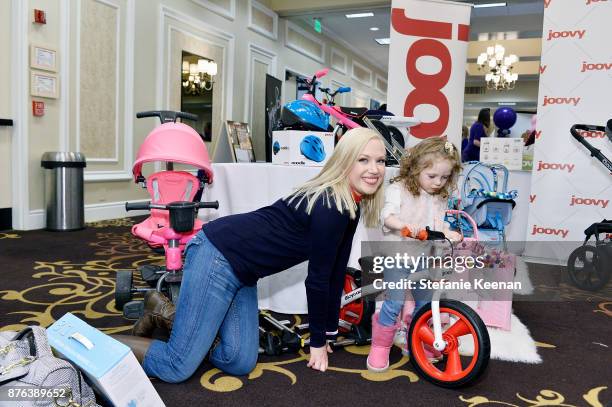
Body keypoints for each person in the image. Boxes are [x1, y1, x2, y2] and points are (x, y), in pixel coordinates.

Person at [115, 127, 387, 383]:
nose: (374, 169)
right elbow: (317, 280)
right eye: (363, 160)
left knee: (238, 362)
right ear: (345, 161)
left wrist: (328, 334)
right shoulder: (330, 206)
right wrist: (316, 342)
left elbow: (335, 272)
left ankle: (165, 311)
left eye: (381, 161)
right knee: (177, 366)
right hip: (217, 255)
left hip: (244, 272)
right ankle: (102, 348)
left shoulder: (349, 204)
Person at [366, 137, 463, 373]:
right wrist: (404, 227)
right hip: (398, 254)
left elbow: (435, 226)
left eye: (445, 177)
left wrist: (449, 233)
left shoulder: (439, 196)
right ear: (415, 168)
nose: (439, 182)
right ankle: (380, 345)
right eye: (432, 176)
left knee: (426, 303)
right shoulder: (398, 189)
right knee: (395, 301)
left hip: (424, 256)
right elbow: (386, 216)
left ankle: (418, 339)